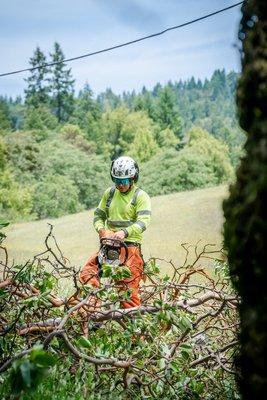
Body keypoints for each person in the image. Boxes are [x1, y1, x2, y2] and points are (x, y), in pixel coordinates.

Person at [79, 156, 151, 309]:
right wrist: (101, 230)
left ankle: (136, 330)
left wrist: (124, 232)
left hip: (130, 250)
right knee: (88, 272)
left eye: (123, 181)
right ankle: (93, 308)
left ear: (133, 178)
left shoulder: (141, 196)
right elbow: (98, 216)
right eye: (117, 181)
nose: (120, 185)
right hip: (109, 247)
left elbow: (143, 222)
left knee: (127, 296)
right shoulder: (110, 194)